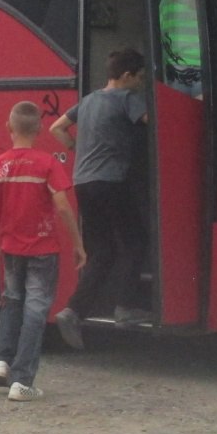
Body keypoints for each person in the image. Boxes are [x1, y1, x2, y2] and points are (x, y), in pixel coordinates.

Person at [0, 101, 85, 402]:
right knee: (35, 310)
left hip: (10, 249)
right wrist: (78, 244)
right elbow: (61, 206)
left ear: (9, 128)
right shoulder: (47, 164)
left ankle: (2, 361)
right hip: (44, 249)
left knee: (12, 303)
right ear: (39, 129)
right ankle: (23, 380)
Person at [50, 48, 150, 349]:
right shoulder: (129, 99)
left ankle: (73, 311)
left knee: (103, 250)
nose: (142, 83)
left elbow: (57, 127)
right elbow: (155, 125)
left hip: (84, 182)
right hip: (111, 182)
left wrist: (76, 149)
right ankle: (126, 308)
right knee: (136, 241)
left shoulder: (89, 99)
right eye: (141, 78)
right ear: (127, 76)